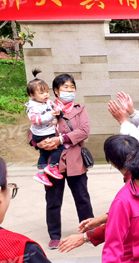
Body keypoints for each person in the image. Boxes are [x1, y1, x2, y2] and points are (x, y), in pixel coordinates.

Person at [33, 74, 94, 250]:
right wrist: (38, 142)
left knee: (82, 198)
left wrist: (61, 139)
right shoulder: (45, 107)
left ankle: (89, 230)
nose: (70, 90)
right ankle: (54, 235)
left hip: (75, 160)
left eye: (72, 87)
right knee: (53, 200)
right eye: (65, 87)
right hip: (52, 163)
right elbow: (32, 129)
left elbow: (84, 130)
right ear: (56, 91)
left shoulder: (79, 109)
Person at [58, 135, 139, 253]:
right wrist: (100, 219)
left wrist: (85, 237)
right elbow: (127, 211)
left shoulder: (132, 189)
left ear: (111, 162)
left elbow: (119, 223)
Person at [26, 69, 64, 186]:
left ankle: (41, 172)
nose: (46, 95)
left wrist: (58, 111)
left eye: (47, 92)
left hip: (47, 131)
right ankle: (52, 166)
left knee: (44, 153)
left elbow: (57, 108)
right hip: (41, 133)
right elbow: (36, 120)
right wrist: (50, 115)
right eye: (42, 93)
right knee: (59, 147)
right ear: (32, 95)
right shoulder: (33, 107)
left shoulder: (48, 103)